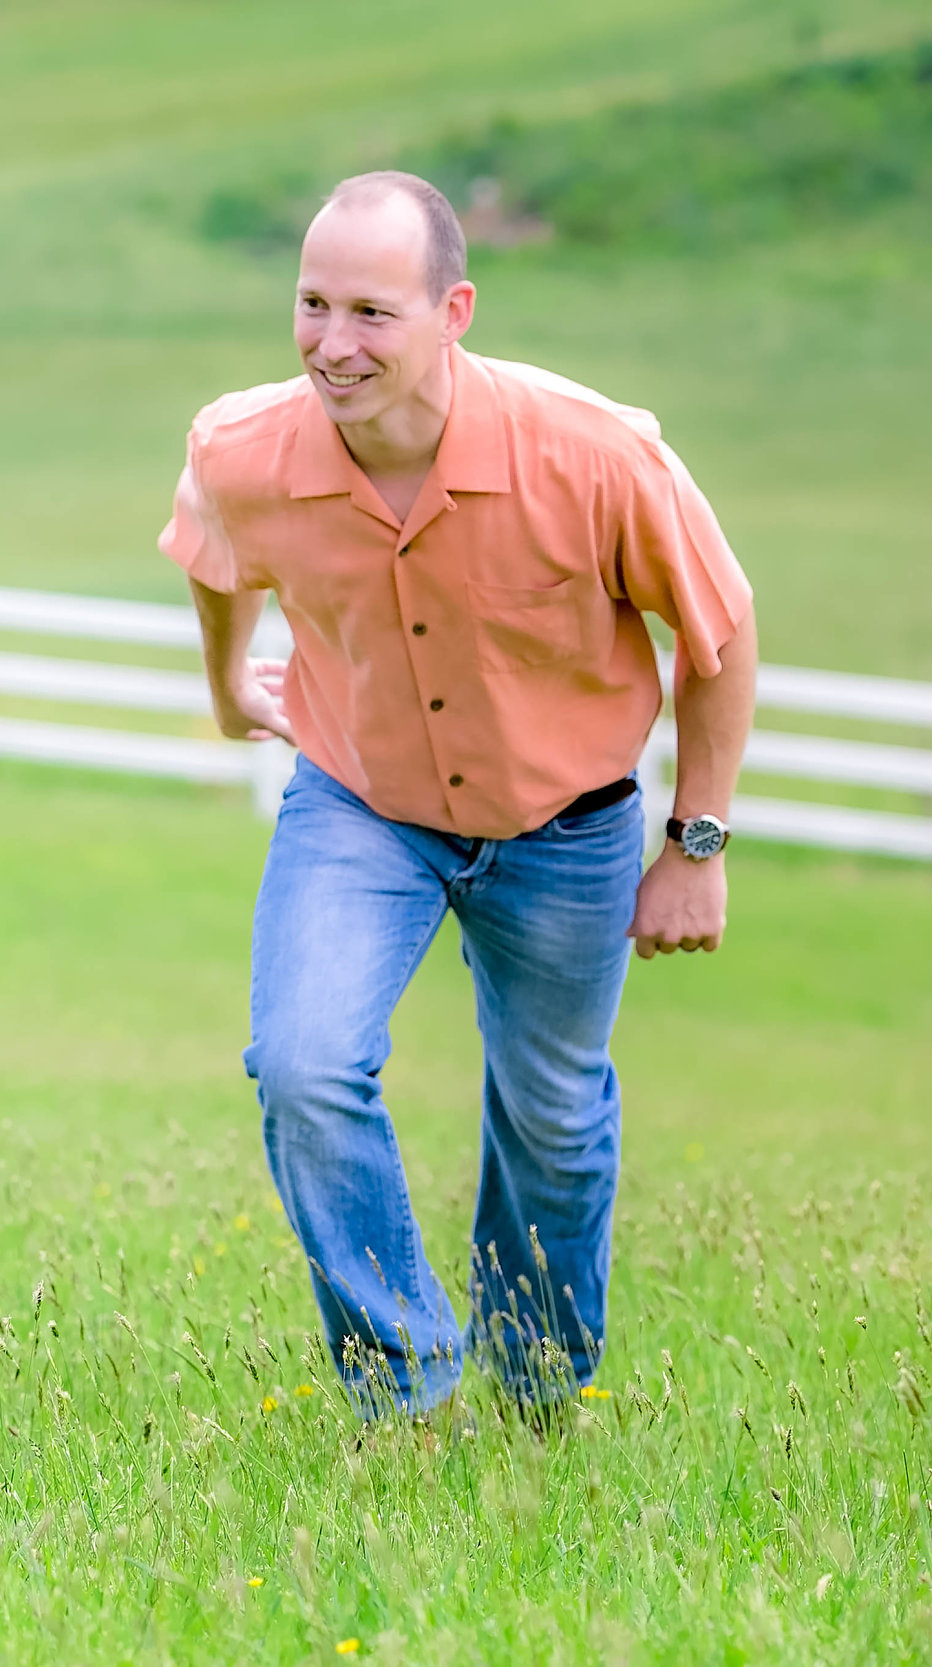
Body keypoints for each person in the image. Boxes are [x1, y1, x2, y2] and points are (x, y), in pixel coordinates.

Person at [161, 171, 756, 1420]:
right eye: (312, 303)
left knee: (550, 1114)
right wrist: (229, 686)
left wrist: (692, 842)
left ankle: (538, 1392)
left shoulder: (592, 453)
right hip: (360, 801)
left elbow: (718, 633)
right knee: (304, 1062)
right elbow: (217, 554)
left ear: (455, 310)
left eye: (373, 312)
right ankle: (407, 1388)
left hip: (568, 824)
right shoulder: (242, 446)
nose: (332, 343)